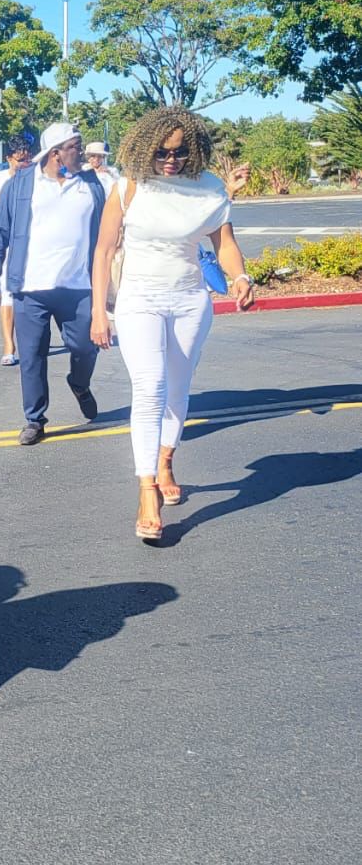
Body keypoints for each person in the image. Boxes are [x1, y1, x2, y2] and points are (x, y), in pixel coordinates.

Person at [90, 108, 256, 542]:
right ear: (146, 147)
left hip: (189, 301)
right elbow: (103, 251)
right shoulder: (129, 186)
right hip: (139, 299)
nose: (170, 159)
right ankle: (147, 489)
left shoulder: (210, 188)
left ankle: (165, 460)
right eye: (162, 152)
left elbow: (225, 245)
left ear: (194, 150)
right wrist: (98, 312)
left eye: (180, 152)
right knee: (150, 387)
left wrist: (241, 278)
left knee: (178, 388)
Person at [0, 122, 105, 445]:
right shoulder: (20, 184)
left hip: (79, 287)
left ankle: (79, 383)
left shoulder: (91, 185)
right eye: (75, 146)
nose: (81, 152)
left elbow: (107, 238)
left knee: (85, 347)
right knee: (32, 356)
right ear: (55, 153)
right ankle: (35, 419)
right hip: (30, 289)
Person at [0, 135, 34, 365]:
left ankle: (32, 338)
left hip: (31, 244)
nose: (24, 164)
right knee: (7, 293)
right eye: (20, 160)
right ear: (9, 158)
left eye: (28, 159)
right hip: (8, 244)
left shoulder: (37, 179)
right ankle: (9, 345)